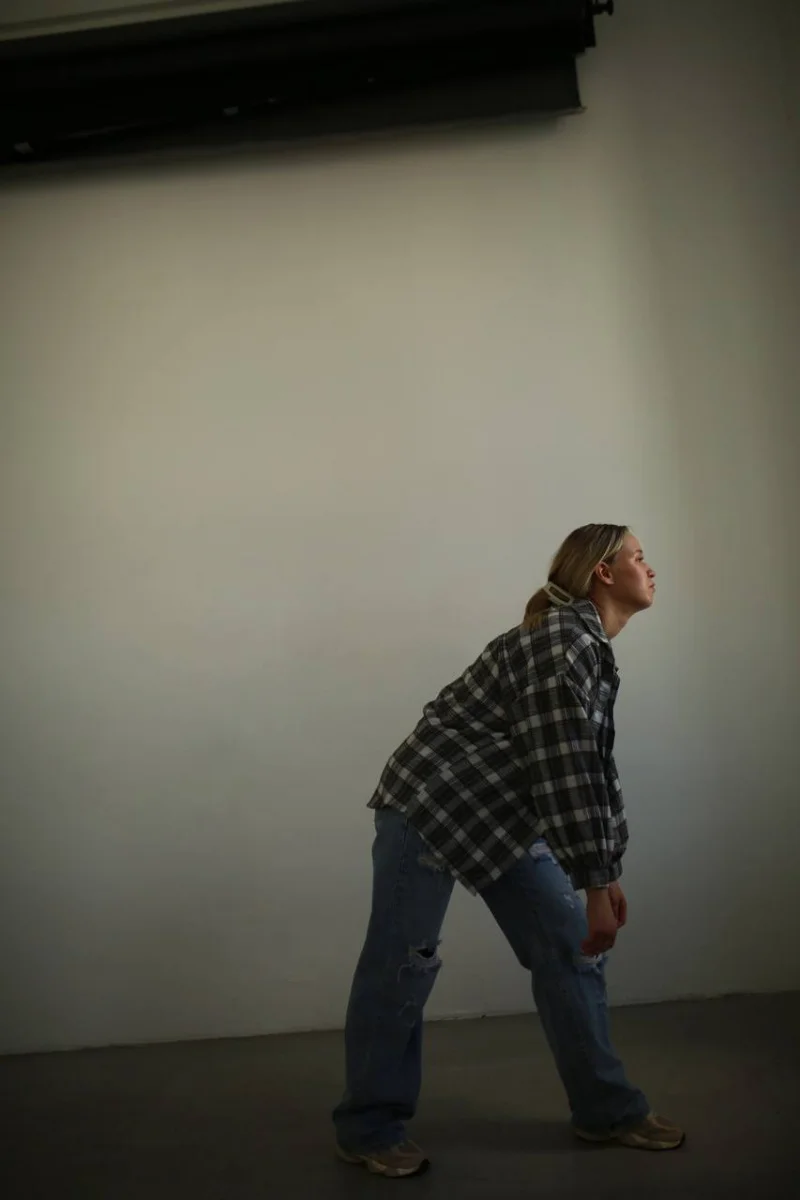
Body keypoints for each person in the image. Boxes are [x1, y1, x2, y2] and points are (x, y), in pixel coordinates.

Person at [333, 524, 684, 1177]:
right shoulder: (561, 644)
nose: (651, 567)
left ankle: (605, 1110)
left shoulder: (587, 645)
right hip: (432, 807)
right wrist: (594, 879)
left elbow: (591, 768)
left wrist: (605, 871)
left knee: (571, 947)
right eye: (639, 557)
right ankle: (368, 1126)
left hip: (498, 818)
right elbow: (565, 772)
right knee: (401, 964)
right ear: (604, 573)